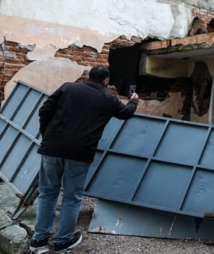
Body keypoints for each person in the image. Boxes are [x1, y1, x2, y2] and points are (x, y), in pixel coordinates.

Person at [30, 66, 138, 253]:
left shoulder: (68, 87)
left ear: (88, 77)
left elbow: (44, 110)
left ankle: (39, 240)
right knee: (71, 198)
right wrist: (134, 101)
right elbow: (126, 113)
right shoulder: (108, 98)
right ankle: (63, 241)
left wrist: (47, 135)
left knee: (47, 194)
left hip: (52, 148)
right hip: (80, 153)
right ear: (106, 80)